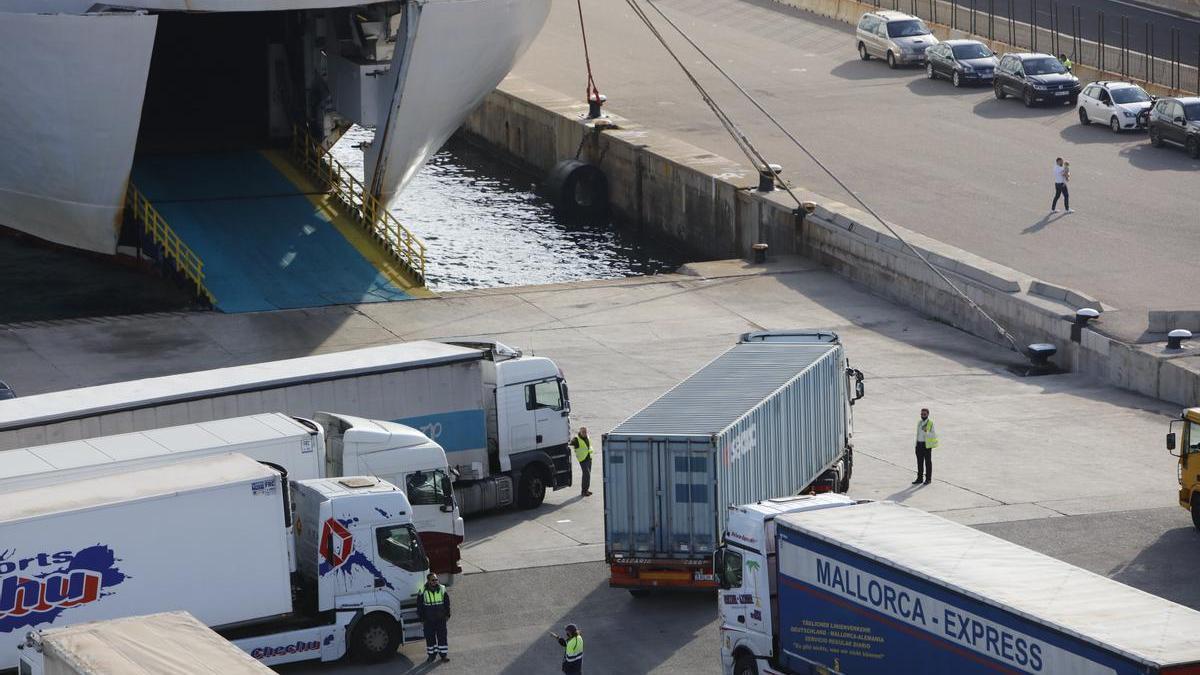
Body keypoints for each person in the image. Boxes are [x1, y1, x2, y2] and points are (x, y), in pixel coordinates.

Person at [416, 573, 450, 662]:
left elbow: (447, 603)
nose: (435, 582)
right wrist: (421, 618)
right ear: (428, 581)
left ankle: (443, 655)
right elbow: (419, 605)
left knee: (442, 637)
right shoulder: (422, 590)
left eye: (436, 580)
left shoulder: (442, 589)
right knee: (430, 638)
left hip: (440, 619)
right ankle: (431, 655)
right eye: (433, 580)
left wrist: (447, 614)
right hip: (428, 620)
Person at [912, 408, 938, 485]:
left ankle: (928, 479)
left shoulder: (930, 423)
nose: (922, 415)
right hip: (919, 445)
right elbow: (918, 434)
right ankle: (919, 478)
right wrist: (916, 445)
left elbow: (933, 435)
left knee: (928, 462)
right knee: (919, 462)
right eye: (921, 414)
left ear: (927, 414)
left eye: (924, 414)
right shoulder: (919, 422)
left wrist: (926, 431)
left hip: (926, 446)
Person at [570, 427, 594, 497]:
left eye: (585, 432)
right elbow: (571, 443)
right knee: (586, 474)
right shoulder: (576, 439)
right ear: (580, 432)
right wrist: (571, 443)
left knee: (588, 475)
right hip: (582, 459)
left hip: (589, 458)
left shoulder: (587, 437)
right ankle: (583, 491)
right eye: (583, 432)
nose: (584, 433)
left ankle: (586, 490)